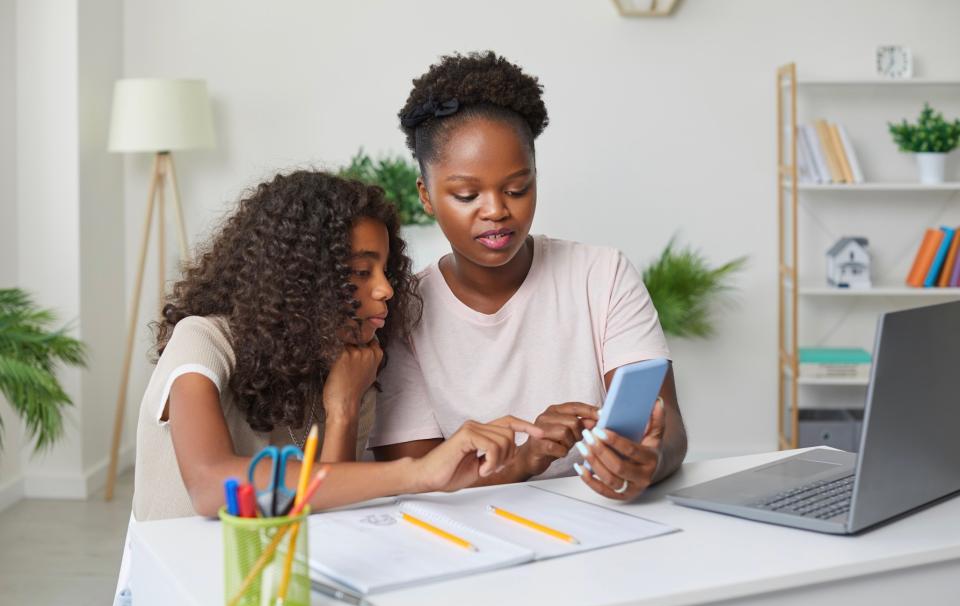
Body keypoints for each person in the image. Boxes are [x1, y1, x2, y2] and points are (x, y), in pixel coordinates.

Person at [132, 169, 542, 521]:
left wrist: (343, 408)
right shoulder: (203, 340)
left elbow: (324, 513)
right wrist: (417, 473)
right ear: (299, 280)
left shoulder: (352, 366)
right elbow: (209, 485)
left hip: (271, 583)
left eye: (385, 270)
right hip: (181, 582)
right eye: (362, 272)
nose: (385, 289)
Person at [368, 52, 687, 500]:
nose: (497, 210)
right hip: (473, 542)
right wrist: (526, 459)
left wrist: (647, 461)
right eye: (466, 194)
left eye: (518, 188)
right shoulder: (405, 311)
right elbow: (416, 479)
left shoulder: (602, 274)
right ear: (426, 195)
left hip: (605, 521)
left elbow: (667, 427)